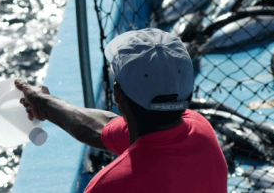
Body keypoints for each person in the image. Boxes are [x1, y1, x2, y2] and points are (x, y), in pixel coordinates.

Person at [15, 28, 228, 193]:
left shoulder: (108, 186)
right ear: (187, 95)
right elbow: (102, 128)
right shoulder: (200, 130)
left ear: (117, 94)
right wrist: (45, 104)